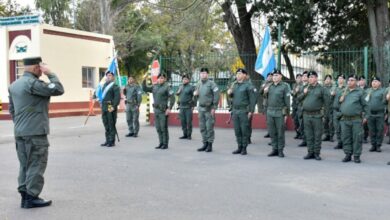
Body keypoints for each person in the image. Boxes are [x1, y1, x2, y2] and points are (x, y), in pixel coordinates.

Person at [8, 57, 64, 208]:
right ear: (35, 68)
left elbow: (12, 109)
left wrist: (22, 124)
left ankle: (25, 196)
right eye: (41, 68)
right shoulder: (33, 83)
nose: (42, 70)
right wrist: (50, 73)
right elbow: (58, 89)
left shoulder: (14, 85)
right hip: (35, 132)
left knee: (24, 164)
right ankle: (31, 197)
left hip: (20, 131)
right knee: (37, 163)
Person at [298, 71, 329, 160]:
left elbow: (327, 104)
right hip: (306, 115)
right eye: (309, 77)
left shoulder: (322, 89)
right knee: (309, 135)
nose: (310, 79)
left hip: (317, 116)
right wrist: (304, 93)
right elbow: (298, 99)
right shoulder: (306, 88)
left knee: (317, 135)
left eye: (312, 77)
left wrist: (325, 117)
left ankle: (316, 153)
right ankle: (310, 152)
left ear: (316, 78)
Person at [337, 74, 369, 163]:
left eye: (352, 80)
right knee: (346, 137)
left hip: (356, 120)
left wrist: (366, 117)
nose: (350, 82)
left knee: (357, 138)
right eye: (349, 80)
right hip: (345, 119)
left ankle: (356, 155)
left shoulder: (360, 92)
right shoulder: (343, 91)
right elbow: (337, 105)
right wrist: (340, 103)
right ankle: (348, 154)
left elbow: (366, 106)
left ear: (356, 82)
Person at [227, 68, 256, 155]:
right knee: (237, 130)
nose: (238, 75)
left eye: (240, 73)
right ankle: (239, 147)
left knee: (244, 130)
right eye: (237, 74)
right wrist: (229, 93)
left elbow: (252, 100)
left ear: (244, 75)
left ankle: (244, 148)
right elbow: (232, 97)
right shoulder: (234, 85)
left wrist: (251, 111)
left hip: (244, 111)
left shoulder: (248, 85)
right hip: (235, 110)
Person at [142, 73, 175, 149]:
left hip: (163, 111)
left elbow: (172, 98)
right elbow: (145, 89)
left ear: (165, 79)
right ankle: (161, 143)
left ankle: (165, 144)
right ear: (157, 79)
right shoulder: (154, 86)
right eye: (159, 78)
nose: (160, 79)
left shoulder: (167, 87)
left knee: (163, 128)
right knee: (158, 128)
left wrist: (169, 108)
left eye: (162, 78)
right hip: (156, 110)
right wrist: (144, 80)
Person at [264, 69, 291, 158]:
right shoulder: (269, 86)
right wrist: (265, 91)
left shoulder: (284, 86)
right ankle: (274, 149)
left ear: (280, 77)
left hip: (279, 112)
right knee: (272, 132)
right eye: (273, 75)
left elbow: (287, 101)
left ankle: (280, 150)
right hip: (270, 111)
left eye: (276, 75)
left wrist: (286, 114)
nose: (274, 77)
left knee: (280, 132)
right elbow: (262, 95)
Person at [193, 67, 220, 152]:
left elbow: (217, 95)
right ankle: (204, 143)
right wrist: (195, 94)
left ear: (207, 74)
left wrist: (214, 107)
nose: (203, 74)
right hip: (201, 108)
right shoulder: (198, 84)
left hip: (209, 109)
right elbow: (196, 95)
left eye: (204, 73)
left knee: (209, 127)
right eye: (201, 73)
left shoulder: (212, 84)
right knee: (202, 127)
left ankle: (210, 144)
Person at [99, 71, 121, 147]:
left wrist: (113, 106)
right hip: (104, 106)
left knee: (111, 124)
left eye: (110, 75)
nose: (108, 77)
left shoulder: (115, 86)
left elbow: (117, 98)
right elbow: (102, 96)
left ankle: (112, 141)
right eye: (107, 75)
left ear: (113, 77)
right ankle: (107, 140)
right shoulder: (104, 85)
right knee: (106, 124)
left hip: (110, 106)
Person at [367, 76, 386, 152]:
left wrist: (386, 113)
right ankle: (373, 145)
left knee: (379, 130)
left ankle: (378, 145)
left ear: (379, 83)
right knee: (371, 130)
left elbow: (386, 102)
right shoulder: (368, 91)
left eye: (376, 81)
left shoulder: (383, 91)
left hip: (379, 114)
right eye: (373, 81)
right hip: (370, 114)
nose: (374, 83)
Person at [176, 74, 195, 140]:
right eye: (183, 79)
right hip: (181, 107)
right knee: (182, 122)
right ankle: (185, 134)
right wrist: (178, 92)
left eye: (186, 79)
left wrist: (193, 105)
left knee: (188, 122)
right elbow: (177, 94)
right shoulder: (180, 86)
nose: (184, 80)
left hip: (188, 107)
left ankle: (189, 135)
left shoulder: (191, 87)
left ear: (188, 80)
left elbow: (194, 97)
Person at [332, 74, 346, 149]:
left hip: (342, 111)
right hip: (335, 110)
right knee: (337, 128)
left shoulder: (346, 89)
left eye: (341, 78)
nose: (340, 80)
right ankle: (339, 142)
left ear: (344, 80)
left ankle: (344, 143)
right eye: (338, 78)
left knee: (343, 128)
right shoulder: (335, 89)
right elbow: (331, 99)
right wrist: (332, 95)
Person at [259, 73, 273, 138]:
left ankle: (273, 133)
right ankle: (269, 132)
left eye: (271, 76)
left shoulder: (274, 84)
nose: (270, 77)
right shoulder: (264, 83)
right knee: (268, 119)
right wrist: (263, 87)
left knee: (272, 120)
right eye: (268, 76)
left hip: (273, 104)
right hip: (266, 103)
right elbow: (260, 92)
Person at [297, 71, 309, 146]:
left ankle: (308, 140)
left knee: (308, 126)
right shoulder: (300, 87)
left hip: (307, 109)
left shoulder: (310, 86)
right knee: (302, 125)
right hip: (301, 108)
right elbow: (298, 98)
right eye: (303, 76)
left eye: (306, 76)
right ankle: (304, 140)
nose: (304, 77)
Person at [322, 74, 334, 142]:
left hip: (331, 108)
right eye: (326, 79)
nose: (327, 80)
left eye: (329, 79)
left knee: (331, 123)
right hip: (325, 108)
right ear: (324, 81)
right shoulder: (322, 89)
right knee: (325, 122)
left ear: (331, 80)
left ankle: (331, 136)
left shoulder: (333, 88)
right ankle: (327, 135)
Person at [358, 75, 369, 143]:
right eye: (360, 80)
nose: (361, 81)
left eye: (363, 79)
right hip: (358, 109)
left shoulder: (368, 89)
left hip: (364, 109)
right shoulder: (356, 89)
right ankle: (359, 137)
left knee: (365, 125)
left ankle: (365, 137)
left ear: (365, 81)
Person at [291, 73, 303, 139]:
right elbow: (292, 94)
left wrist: (295, 92)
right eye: (297, 78)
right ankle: (297, 133)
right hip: (294, 106)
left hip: (300, 105)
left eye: (300, 77)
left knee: (300, 120)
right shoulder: (294, 85)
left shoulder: (303, 86)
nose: (299, 79)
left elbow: (296, 94)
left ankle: (301, 133)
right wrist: (294, 92)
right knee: (295, 121)